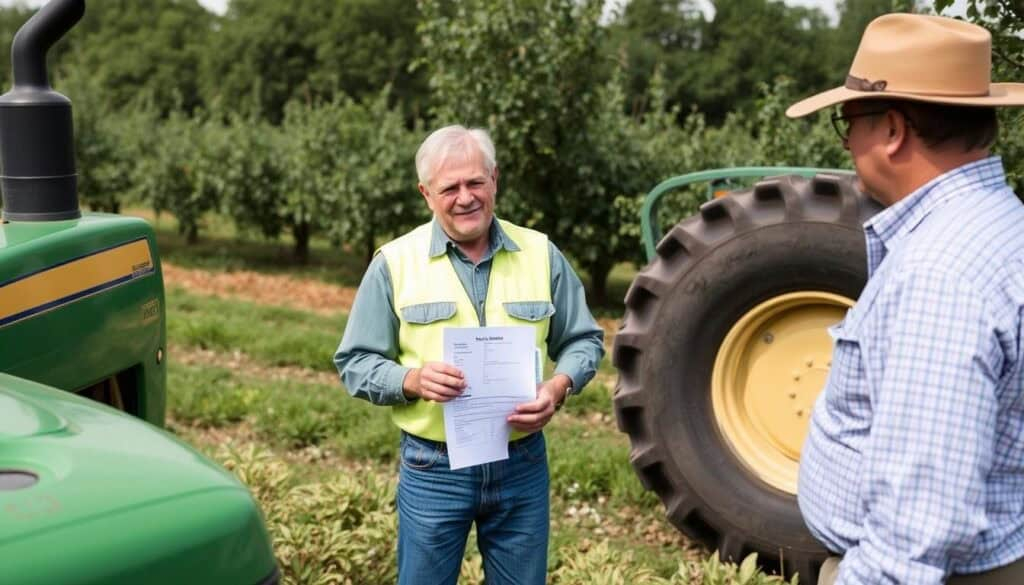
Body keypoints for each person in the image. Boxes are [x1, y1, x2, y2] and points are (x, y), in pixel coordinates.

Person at [786, 13, 1024, 585]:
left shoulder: (940, 277)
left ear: (892, 129)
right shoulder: (1000, 225)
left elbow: (916, 532)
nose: (847, 144)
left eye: (849, 124)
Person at [334, 125, 605, 584]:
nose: (466, 197)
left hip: (520, 465)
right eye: (450, 188)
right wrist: (412, 381)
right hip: (433, 467)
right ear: (426, 194)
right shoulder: (395, 263)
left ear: (494, 179)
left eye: (475, 182)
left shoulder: (541, 254)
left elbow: (584, 339)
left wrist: (558, 387)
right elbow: (355, 362)